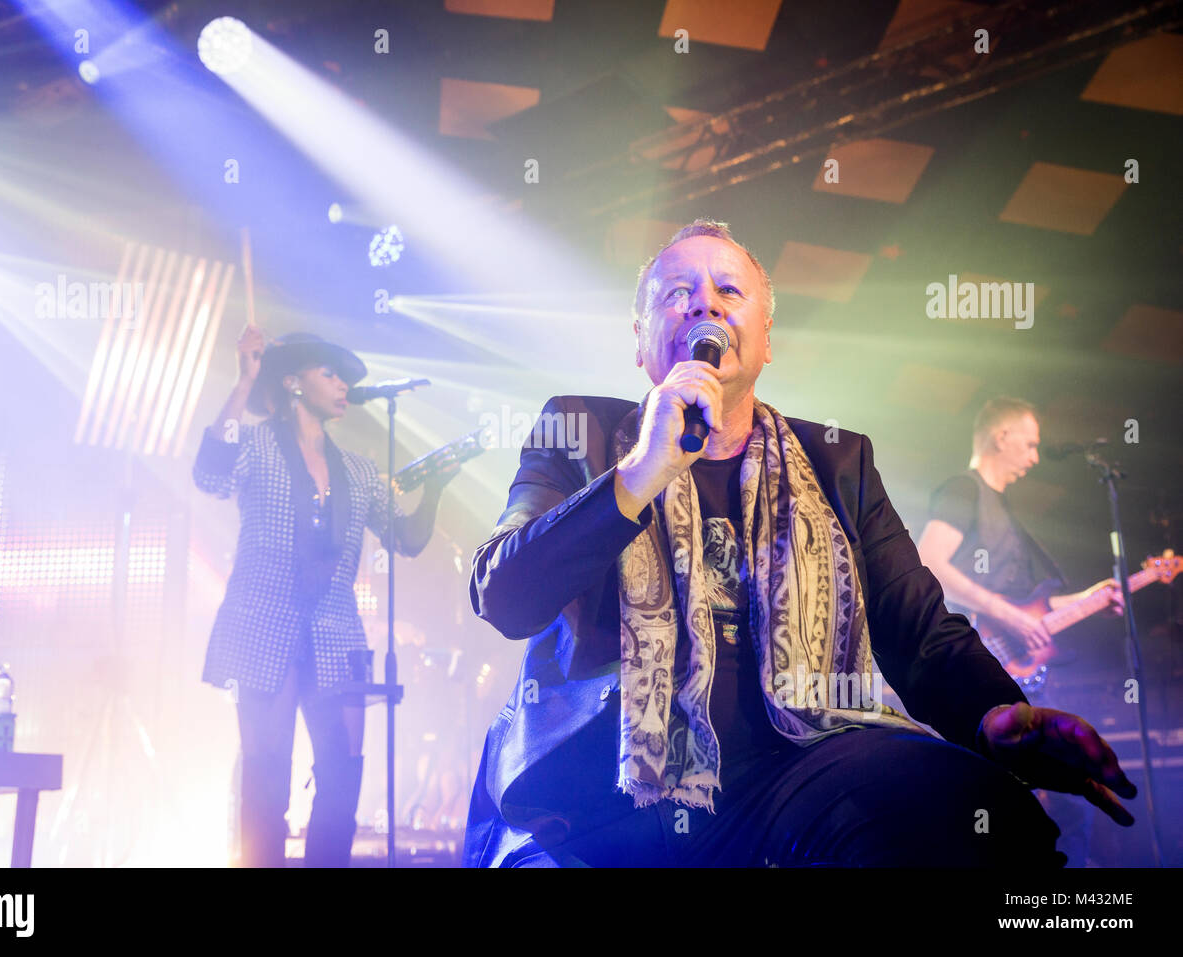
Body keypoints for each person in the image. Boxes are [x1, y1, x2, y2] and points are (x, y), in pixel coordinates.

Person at [462, 219, 1136, 868]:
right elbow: (503, 593)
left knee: (979, 812)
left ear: (765, 339)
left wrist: (995, 714)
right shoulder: (579, 428)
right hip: (596, 808)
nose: (706, 303)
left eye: (730, 290)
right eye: (677, 293)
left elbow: (921, 631)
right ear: (640, 343)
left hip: (790, 775)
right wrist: (639, 473)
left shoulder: (837, 462)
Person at [194, 327, 456, 867]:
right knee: (267, 775)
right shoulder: (257, 444)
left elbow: (404, 540)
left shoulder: (359, 470)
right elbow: (209, 474)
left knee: (341, 774)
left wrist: (436, 489)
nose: (342, 386)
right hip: (261, 624)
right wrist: (244, 383)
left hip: (337, 632)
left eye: (343, 378)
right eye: (329, 374)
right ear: (293, 382)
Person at [917, 397, 1124, 866]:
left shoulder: (1004, 510)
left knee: (1063, 804)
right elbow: (929, 563)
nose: (1034, 457)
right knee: (1041, 805)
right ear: (1000, 437)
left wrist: (1091, 598)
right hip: (975, 664)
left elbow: (1033, 603)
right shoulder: (963, 490)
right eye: (1029, 444)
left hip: (1011, 672)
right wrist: (1008, 618)